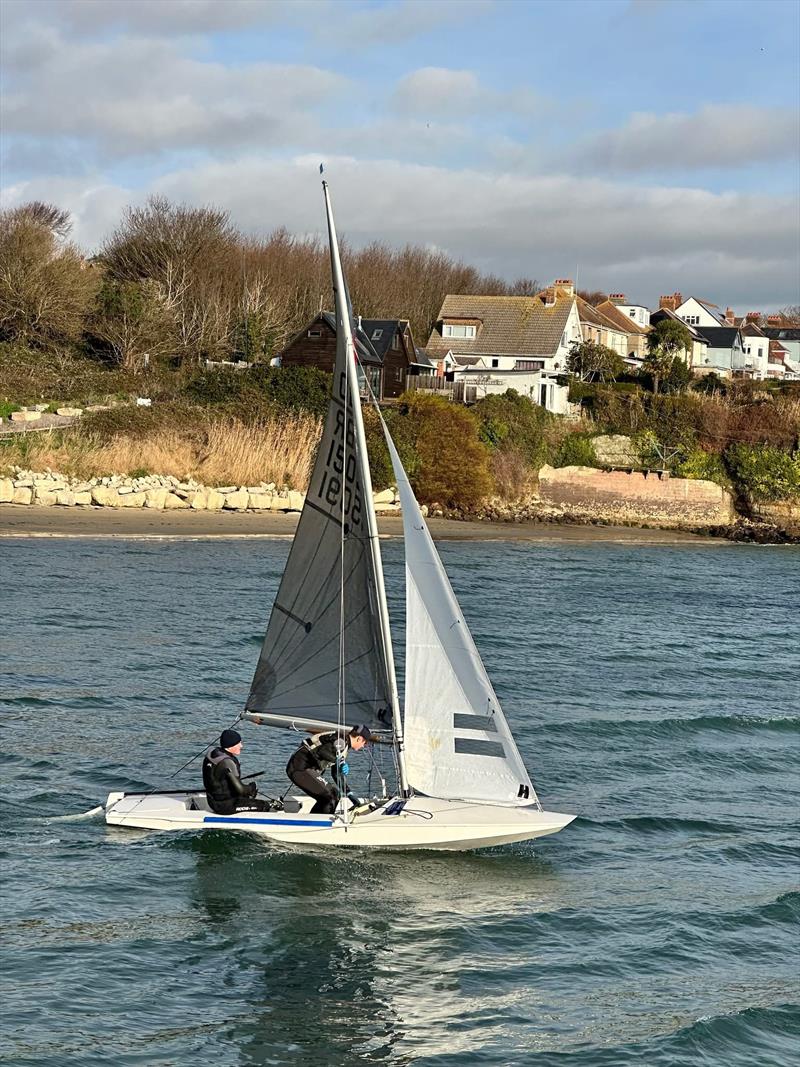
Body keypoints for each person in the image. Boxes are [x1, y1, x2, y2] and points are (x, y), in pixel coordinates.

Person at [286, 724, 371, 814]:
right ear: (359, 739)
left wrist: (349, 794)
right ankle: (321, 823)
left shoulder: (343, 746)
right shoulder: (341, 741)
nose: (363, 746)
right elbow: (322, 752)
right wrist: (340, 761)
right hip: (300, 768)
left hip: (303, 768)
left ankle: (314, 821)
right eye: (365, 743)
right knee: (331, 796)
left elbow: (336, 774)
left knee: (330, 796)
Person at [202, 729, 271, 815]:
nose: (241, 746)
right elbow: (241, 789)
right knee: (265, 805)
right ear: (231, 745)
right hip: (225, 806)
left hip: (213, 801)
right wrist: (251, 788)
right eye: (239, 743)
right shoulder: (228, 762)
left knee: (247, 797)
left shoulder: (212, 753)